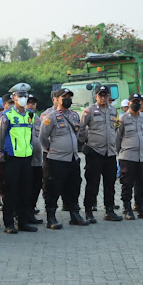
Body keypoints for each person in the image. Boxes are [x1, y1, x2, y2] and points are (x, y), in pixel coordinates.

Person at [39, 88, 87, 229]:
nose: (67, 99)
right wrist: (51, 150)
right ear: (57, 99)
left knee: (73, 187)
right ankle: (51, 217)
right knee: (53, 188)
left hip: (72, 158)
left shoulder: (74, 115)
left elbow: (78, 134)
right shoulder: (50, 117)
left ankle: (75, 214)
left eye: (69, 97)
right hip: (56, 159)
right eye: (64, 97)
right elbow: (42, 137)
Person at [0, 83, 38, 233]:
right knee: (11, 192)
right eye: (20, 96)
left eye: (25, 96)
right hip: (12, 158)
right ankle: (9, 223)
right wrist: (6, 151)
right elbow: (0, 138)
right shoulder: (6, 116)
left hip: (27, 158)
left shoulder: (30, 115)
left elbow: (31, 134)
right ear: (13, 98)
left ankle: (23, 222)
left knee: (25, 191)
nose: (23, 99)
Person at [78, 85, 123, 223]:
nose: (103, 98)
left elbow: (115, 128)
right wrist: (85, 142)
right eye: (100, 95)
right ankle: (88, 211)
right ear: (96, 96)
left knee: (110, 183)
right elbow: (80, 129)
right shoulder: (89, 111)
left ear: (109, 96)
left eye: (105, 95)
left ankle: (109, 210)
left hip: (110, 152)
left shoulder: (113, 111)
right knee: (93, 183)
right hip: (95, 152)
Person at [116, 94, 143, 220]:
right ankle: (127, 208)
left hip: (142, 156)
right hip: (128, 155)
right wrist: (120, 153)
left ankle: (141, 207)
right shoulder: (122, 118)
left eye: (138, 101)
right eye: (134, 101)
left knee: (141, 182)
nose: (137, 104)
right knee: (127, 183)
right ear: (129, 103)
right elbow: (117, 137)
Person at [0, 94, 13, 213]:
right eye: (9, 103)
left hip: (14, 155)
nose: (11, 105)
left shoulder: (19, 115)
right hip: (0, 156)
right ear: (4, 104)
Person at [26, 94, 44, 224]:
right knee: (25, 188)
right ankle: (22, 214)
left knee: (36, 187)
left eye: (33, 102)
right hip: (25, 160)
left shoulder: (38, 119)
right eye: (28, 102)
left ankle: (31, 212)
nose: (31, 105)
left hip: (37, 160)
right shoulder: (19, 117)